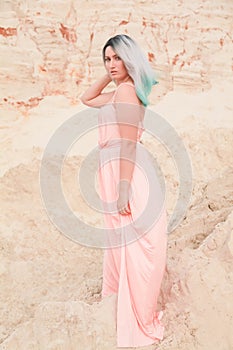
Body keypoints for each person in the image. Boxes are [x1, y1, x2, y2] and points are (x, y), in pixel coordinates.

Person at [81, 34, 168, 348]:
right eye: (107, 59)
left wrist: (122, 190)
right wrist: (111, 73)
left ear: (130, 59)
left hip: (127, 175)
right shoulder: (120, 90)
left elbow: (130, 144)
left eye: (118, 58)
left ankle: (140, 319)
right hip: (117, 171)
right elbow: (87, 98)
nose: (111, 64)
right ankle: (123, 306)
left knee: (136, 247)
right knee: (120, 244)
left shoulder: (128, 93)